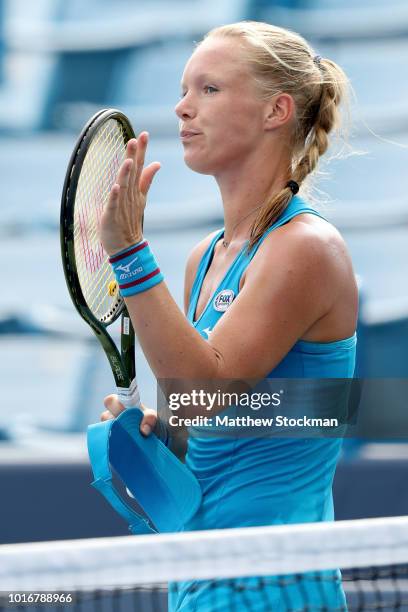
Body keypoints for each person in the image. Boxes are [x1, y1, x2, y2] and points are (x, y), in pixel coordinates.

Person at [100, 21, 358, 611]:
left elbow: (208, 387)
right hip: (199, 585)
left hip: (277, 589)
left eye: (209, 89)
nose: (182, 108)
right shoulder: (203, 259)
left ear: (276, 110)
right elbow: (204, 422)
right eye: (184, 89)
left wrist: (130, 255)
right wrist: (158, 433)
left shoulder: (306, 248)